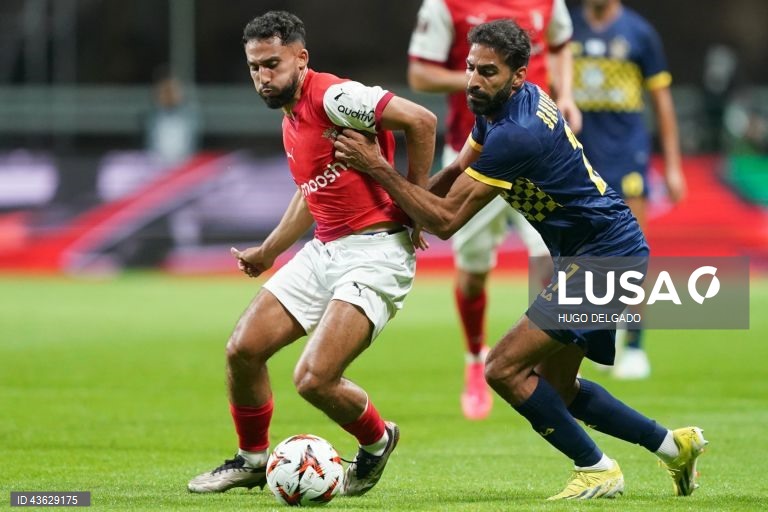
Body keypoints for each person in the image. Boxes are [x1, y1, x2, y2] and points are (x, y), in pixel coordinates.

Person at [333, 19, 706, 500]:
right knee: (559, 387)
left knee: (502, 368)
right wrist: (409, 211)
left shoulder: (518, 134)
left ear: (519, 75)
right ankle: (674, 446)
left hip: (605, 257)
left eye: (487, 71)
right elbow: (457, 170)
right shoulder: (498, 108)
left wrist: (377, 168)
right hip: (596, 252)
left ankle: (596, 468)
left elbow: (447, 221)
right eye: (470, 67)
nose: (473, 80)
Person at [187, 11, 436, 497]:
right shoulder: (292, 118)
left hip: (376, 255)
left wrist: (417, 202)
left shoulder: (334, 97)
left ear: (301, 58)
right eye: (255, 67)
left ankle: (378, 440)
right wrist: (269, 251)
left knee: (314, 379)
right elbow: (311, 193)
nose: (263, 76)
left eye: (272, 64)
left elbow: (421, 121)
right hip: (325, 250)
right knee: (243, 350)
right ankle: (252, 460)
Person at [407, 0, 581, 419]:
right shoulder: (446, 5)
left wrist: (567, 95)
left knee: (552, 263)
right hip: (475, 148)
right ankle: (474, 358)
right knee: (472, 275)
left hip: (535, 153)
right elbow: (420, 75)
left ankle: (544, 361)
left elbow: (561, 45)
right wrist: (485, 75)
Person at [570, 0, 686, 379]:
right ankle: (583, 340)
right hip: (577, 158)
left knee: (631, 253)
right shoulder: (567, 28)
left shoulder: (639, 33)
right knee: (579, 255)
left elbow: (662, 103)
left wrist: (672, 165)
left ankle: (634, 345)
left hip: (626, 157)